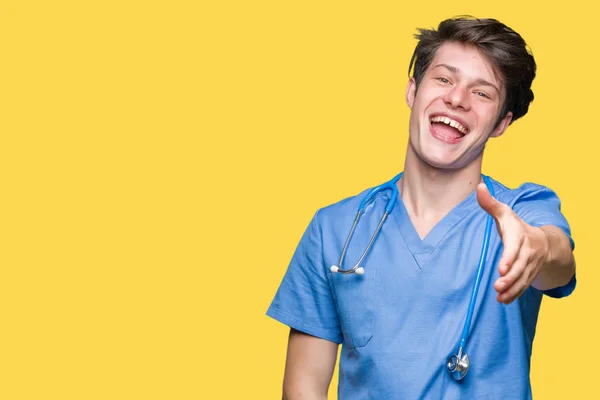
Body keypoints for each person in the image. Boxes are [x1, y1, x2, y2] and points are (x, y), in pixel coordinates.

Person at [266, 16, 577, 399]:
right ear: (412, 91)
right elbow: (304, 389)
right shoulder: (335, 228)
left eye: (482, 93)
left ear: (501, 123)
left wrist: (537, 249)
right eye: (444, 79)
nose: (457, 99)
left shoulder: (522, 211)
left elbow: (557, 262)